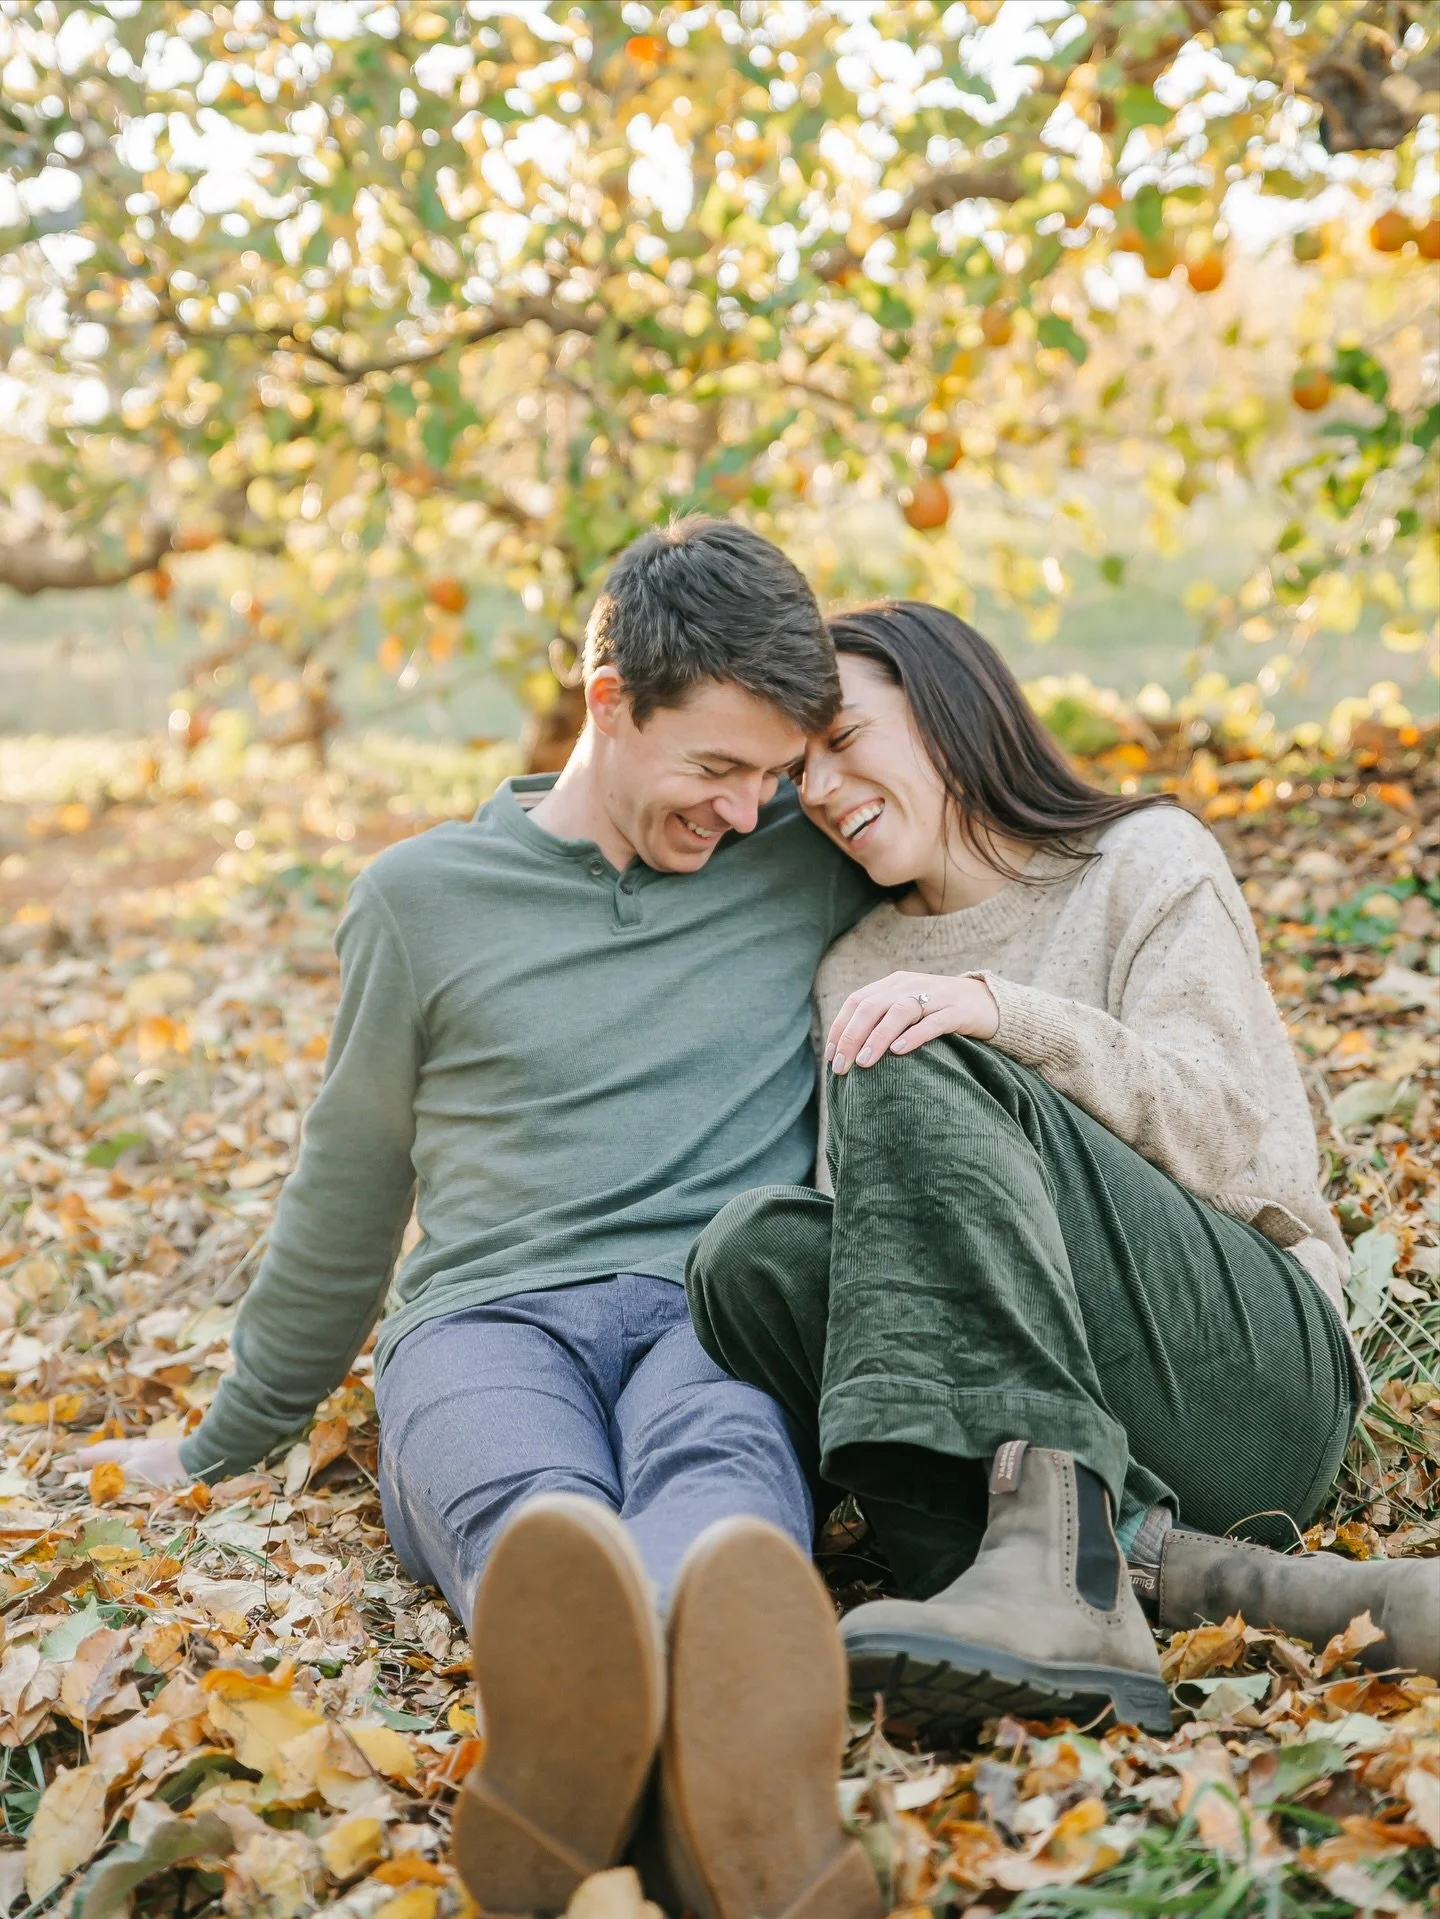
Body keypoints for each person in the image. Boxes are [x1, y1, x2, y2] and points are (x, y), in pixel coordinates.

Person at [72, 519, 884, 1919]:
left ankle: (724, 1737)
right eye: (713, 767)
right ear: (609, 702)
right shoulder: (422, 901)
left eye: (774, 774)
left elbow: (990, 842)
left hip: (718, 1295)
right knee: (530, 1505)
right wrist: (226, 1437)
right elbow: (350, 1184)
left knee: (724, 1465)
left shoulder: (804, 856)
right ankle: (614, 1725)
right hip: (487, 1317)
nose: (747, 811)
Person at [687, 600, 1439, 1744]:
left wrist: (999, 1016)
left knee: (918, 1048)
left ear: (948, 706)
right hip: (1049, 1418)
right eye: (798, 771)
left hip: (1241, 1368)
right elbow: (904, 1293)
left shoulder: (1143, 857)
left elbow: (1237, 1137)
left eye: (845, 739)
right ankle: (1142, 1579)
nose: (823, 790)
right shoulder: (857, 964)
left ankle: (1065, 1570)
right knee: (749, 1252)